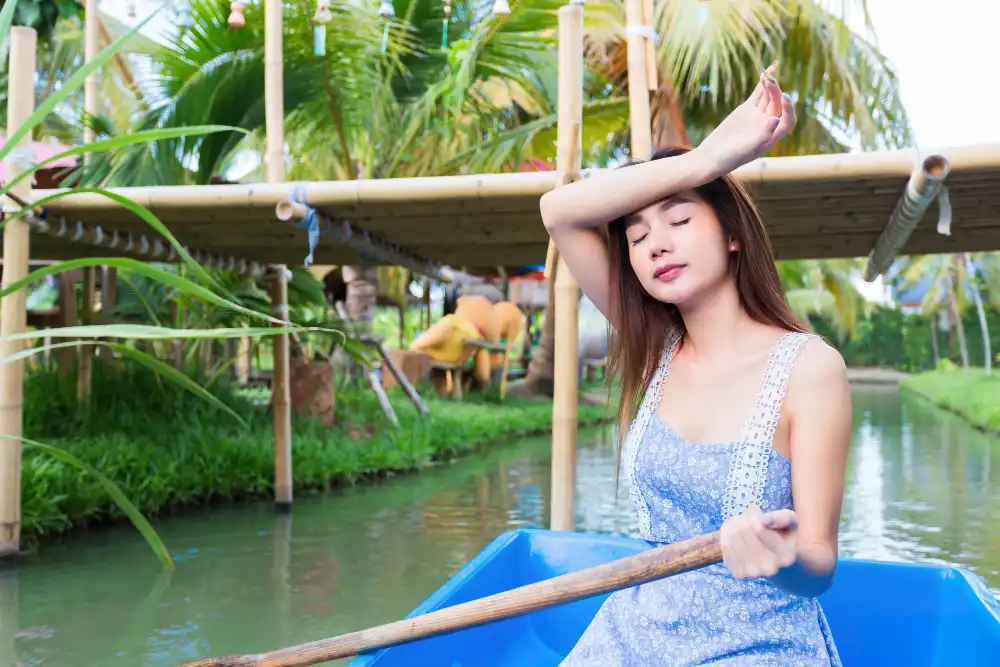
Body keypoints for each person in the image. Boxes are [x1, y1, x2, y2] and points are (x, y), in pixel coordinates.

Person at [539, 62, 852, 666]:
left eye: (680, 219)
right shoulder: (652, 349)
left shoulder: (810, 368)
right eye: (635, 237)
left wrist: (783, 559)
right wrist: (704, 163)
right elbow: (560, 212)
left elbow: (819, 564)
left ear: (732, 234)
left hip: (756, 643)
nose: (656, 244)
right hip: (634, 634)